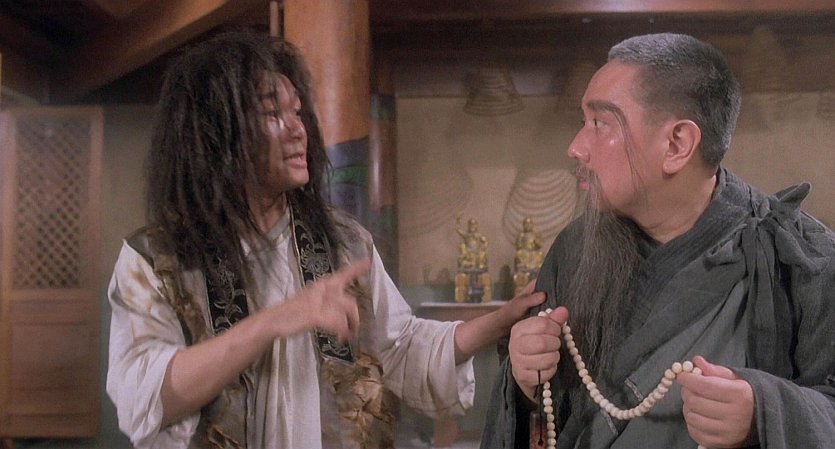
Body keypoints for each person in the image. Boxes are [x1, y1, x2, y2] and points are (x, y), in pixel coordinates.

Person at [106, 30, 543, 449]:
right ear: (217, 131)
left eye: (298, 112)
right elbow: (144, 397)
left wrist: (499, 320)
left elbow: (401, 349)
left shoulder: (342, 243)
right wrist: (274, 320)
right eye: (273, 114)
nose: (298, 129)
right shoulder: (158, 257)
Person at [481, 33, 835, 449]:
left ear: (676, 144)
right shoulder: (575, 251)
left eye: (600, 123)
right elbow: (546, 423)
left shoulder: (798, 257)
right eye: (583, 121)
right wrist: (526, 380)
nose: (576, 147)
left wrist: (764, 413)